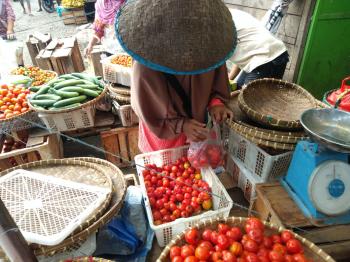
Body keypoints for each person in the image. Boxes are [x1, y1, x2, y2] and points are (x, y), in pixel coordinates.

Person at [115, 0, 235, 153]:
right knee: (164, 171)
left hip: (198, 129)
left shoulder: (211, 48)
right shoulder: (145, 60)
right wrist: (181, 125)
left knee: (196, 170)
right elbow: (146, 107)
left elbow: (216, 83)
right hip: (164, 136)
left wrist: (217, 103)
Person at [228, 9, 289, 89]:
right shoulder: (231, 14)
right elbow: (241, 52)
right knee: (238, 90)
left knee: (246, 98)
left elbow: (216, 65)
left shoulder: (220, 22)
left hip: (265, 58)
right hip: (271, 54)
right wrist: (229, 80)